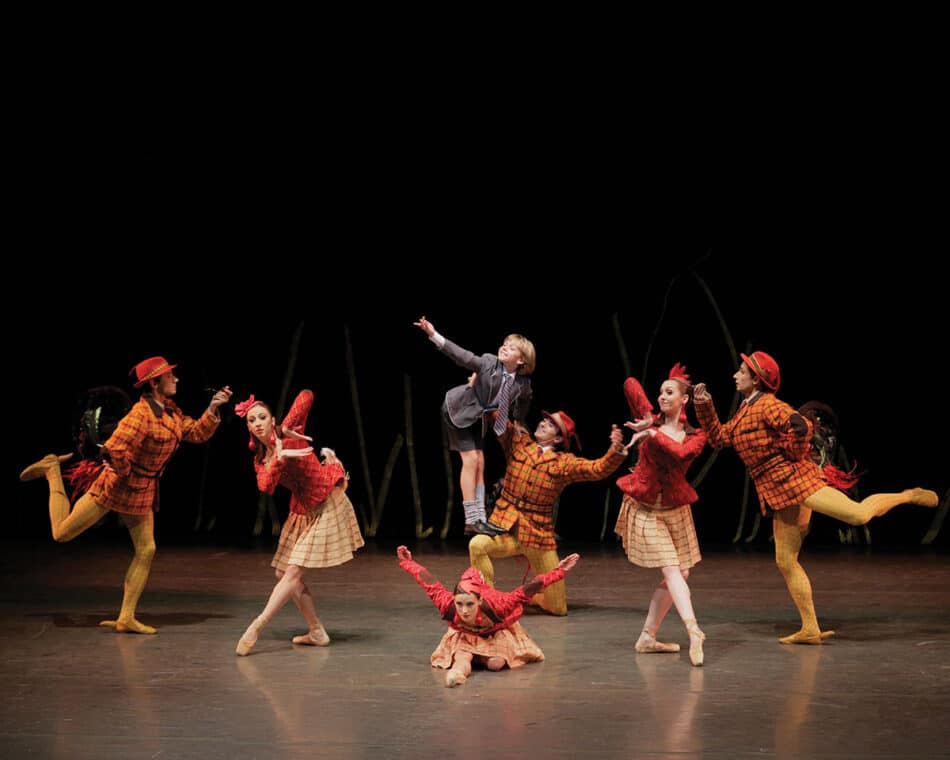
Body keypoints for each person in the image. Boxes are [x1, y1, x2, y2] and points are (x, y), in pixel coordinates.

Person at [692, 351, 939, 645]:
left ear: (756, 379)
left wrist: (794, 454)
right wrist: (703, 403)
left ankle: (907, 495)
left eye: (741, 371)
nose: (735, 375)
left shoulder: (768, 405)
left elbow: (800, 425)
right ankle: (810, 628)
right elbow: (719, 437)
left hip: (796, 481)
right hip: (777, 491)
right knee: (785, 560)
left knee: (858, 515)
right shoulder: (746, 409)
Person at [19, 356, 232, 634]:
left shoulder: (169, 411)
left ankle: (126, 617)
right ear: (155, 383)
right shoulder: (140, 415)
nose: (176, 379)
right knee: (61, 533)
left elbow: (193, 432)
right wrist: (121, 467)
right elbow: (114, 447)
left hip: (142, 490)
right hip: (116, 486)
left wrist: (213, 408)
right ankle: (52, 471)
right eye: (170, 376)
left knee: (147, 549)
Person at [234, 390, 364, 656]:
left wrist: (285, 429)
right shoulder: (262, 458)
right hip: (302, 512)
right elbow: (265, 486)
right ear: (247, 427)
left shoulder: (290, 432)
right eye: (251, 420)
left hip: (327, 503)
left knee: (292, 573)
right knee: (283, 574)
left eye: (262, 417)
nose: (257, 423)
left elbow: (307, 395)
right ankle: (316, 631)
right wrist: (279, 459)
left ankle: (256, 627)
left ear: (272, 420)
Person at [469, 406, 627, 616]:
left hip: (537, 537)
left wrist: (615, 450)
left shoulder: (563, 463)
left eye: (551, 425)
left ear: (559, 439)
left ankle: (527, 595)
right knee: (477, 544)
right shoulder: (519, 444)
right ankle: (486, 599)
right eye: (544, 421)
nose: (543, 424)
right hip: (505, 528)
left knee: (558, 608)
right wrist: (492, 397)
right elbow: (500, 424)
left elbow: (597, 469)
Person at [615, 364, 707, 666]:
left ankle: (647, 637)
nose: (662, 396)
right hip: (646, 510)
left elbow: (678, 454)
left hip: (676, 510)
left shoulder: (696, 436)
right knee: (671, 569)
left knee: (682, 573)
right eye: (661, 392)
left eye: (669, 392)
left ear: (685, 400)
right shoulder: (651, 421)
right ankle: (694, 630)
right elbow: (630, 383)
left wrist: (651, 432)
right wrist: (646, 418)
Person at [414, 315, 535, 536]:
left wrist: (518, 421)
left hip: (478, 420)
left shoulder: (522, 384)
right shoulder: (489, 362)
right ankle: (471, 519)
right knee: (470, 460)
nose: (504, 348)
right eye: (505, 344)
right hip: (458, 410)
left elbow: (524, 401)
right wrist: (433, 334)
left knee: (480, 460)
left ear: (521, 361)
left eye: (512, 347)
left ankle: (480, 517)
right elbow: (462, 356)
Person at [397, 545, 580, 687]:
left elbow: (529, 589)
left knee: (495, 664)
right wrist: (408, 562)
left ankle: (481, 657)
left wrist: (559, 571)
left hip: (495, 633)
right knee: (462, 659)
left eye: (470, 604)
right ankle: (457, 674)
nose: (464, 610)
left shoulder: (497, 604)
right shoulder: (448, 604)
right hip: (466, 635)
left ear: (479, 601)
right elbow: (427, 581)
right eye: (459, 604)